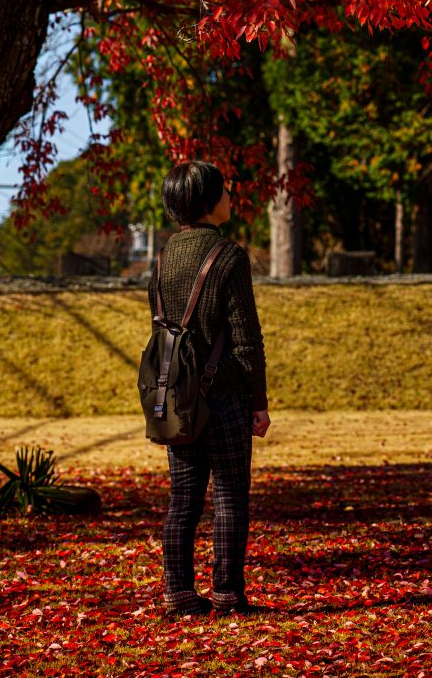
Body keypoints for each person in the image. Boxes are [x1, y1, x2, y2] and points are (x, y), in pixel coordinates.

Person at [152, 160, 271, 618]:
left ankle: (178, 593)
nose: (229, 196)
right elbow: (246, 335)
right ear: (205, 200)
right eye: (223, 190)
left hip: (178, 398)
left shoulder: (162, 259)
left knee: (183, 498)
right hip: (225, 396)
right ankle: (227, 594)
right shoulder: (229, 255)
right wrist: (258, 402)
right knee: (229, 497)